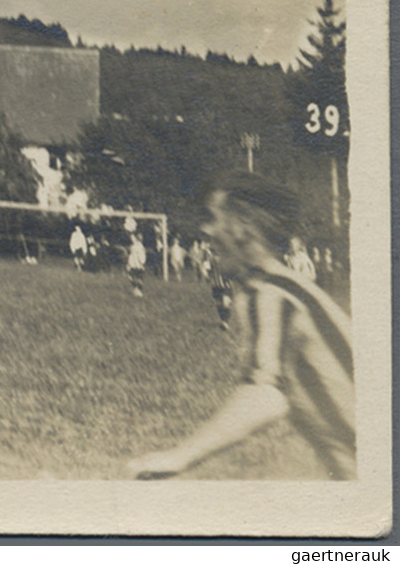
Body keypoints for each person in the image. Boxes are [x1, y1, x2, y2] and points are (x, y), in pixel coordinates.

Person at [126, 173, 354, 480]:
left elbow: (266, 394)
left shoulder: (271, 294)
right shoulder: (279, 287)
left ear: (243, 226)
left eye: (213, 218)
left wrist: (179, 457)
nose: (206, 230)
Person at [126, 233, 148, 298]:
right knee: (136, 277)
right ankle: (137, 290)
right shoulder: (137, 247)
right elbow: (139, 257)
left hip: (135, 264)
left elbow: (133, 256)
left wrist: (130, 264)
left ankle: (137, 290)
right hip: (136, 264)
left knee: (134, 277)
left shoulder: (136, 247)